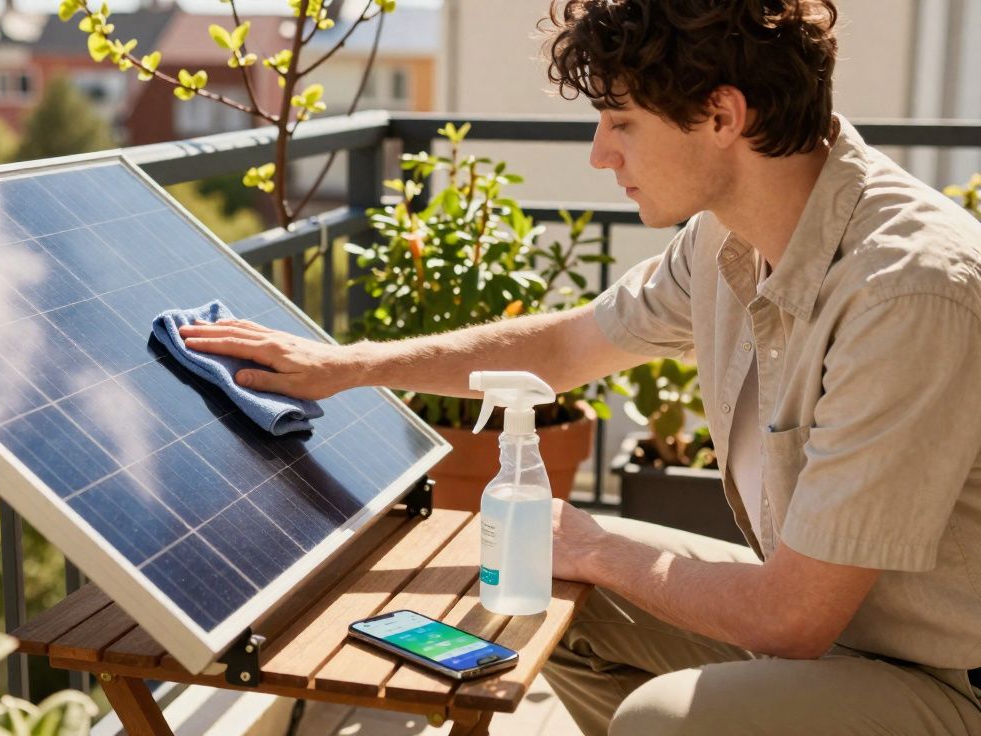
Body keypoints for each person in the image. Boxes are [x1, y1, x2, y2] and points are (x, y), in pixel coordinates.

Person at [180, 0, 981, 732]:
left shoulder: (906, 291)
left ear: (721, 115)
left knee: (660, 717)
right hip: (839, 632)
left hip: (942, 677)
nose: (600, 154)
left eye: (620, 122)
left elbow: (791, 618)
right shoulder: (727, 238)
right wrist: (344, 366)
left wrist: (597, 548)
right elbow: (563, 349)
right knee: (536, 585)